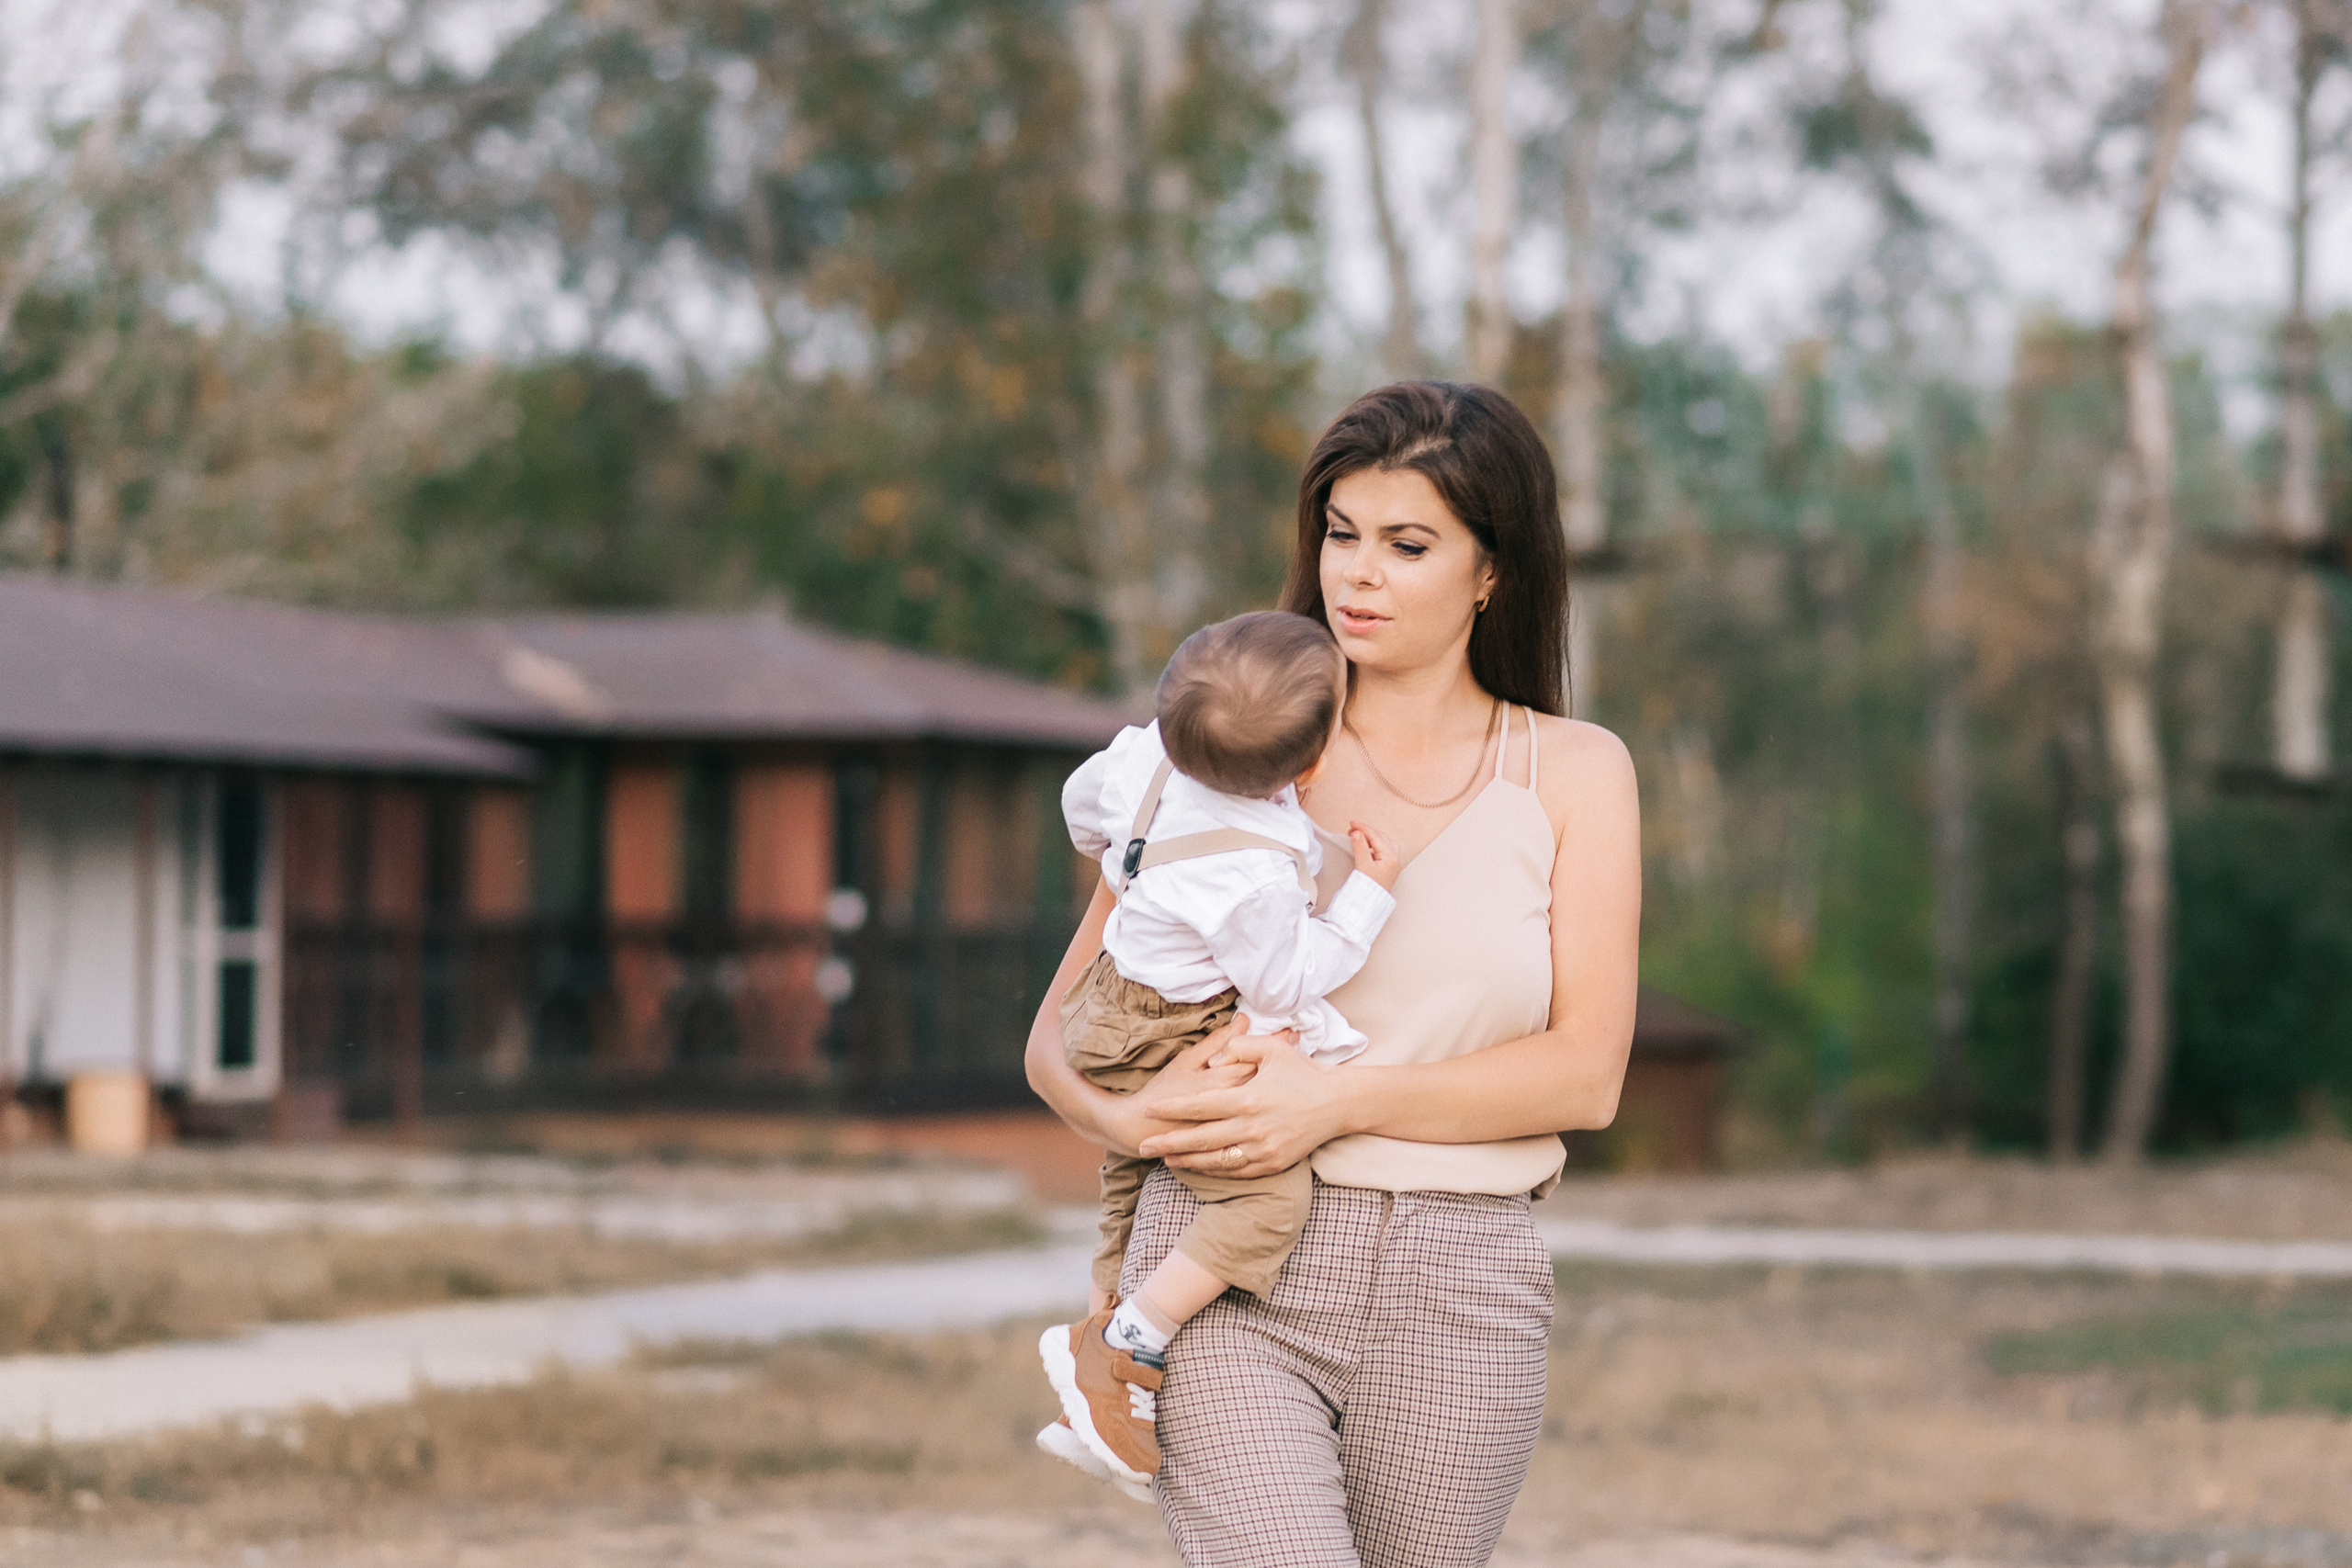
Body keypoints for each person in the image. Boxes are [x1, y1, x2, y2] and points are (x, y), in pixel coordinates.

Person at [1024, 380, 1641, 1567]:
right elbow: (1055, 1034)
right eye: (1341, 533)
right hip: (1220, 1260)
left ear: (1490, 571)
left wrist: (1336, 1095)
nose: (1357, 572)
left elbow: (1588, 1072)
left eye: (1407, 544)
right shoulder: (1231, 744)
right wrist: (1123, 1114)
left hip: (1464, 1283)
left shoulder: (1575, 769)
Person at [1037, 609, 1404, 1501]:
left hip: (1104, 1010)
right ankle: (1129, 1340)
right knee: (1267, 1207)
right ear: (1309, 766)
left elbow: (1081, 809)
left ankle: (1100, 1385)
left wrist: (1126, 859)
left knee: (1127, 1189)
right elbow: (1287, 983)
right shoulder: (1252, 875)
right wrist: (1368, 895)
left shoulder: (1139, 760)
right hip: (1171, 1028)